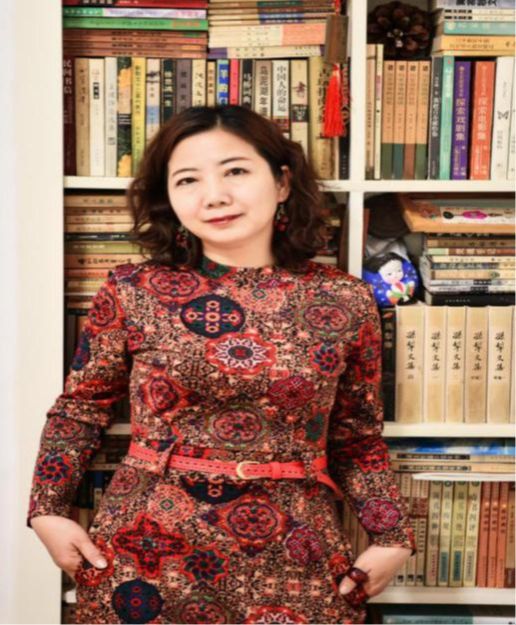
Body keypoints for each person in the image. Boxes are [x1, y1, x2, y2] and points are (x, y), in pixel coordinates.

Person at [27, 105, 416, 625]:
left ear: (282, 182)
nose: (214, 195)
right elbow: (80, 410)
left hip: (297, 549)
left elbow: (356, 435)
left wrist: (392, 536)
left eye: (235, 171)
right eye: (188, 179)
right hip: (146, 550)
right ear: (169, 198)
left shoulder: (345, 300)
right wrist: (47, 511)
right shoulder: (131, 290)